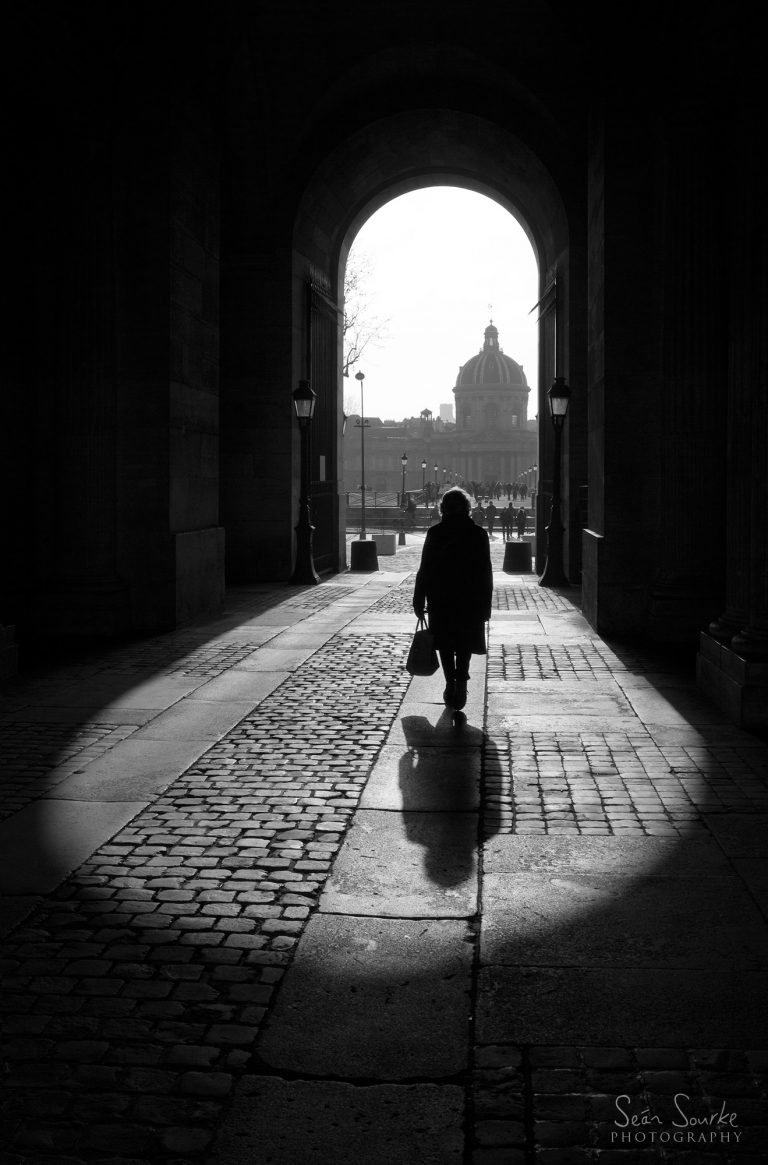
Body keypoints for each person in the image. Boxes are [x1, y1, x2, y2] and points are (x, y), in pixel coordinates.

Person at [412, 486, 493, 712]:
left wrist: (419, 599)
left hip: (441, 597)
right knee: (465, 642)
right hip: (470, 598)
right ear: (468, 508)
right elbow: (486, 572)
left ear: (443, 508)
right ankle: (462, 680)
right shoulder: (478, 534)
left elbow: (424, 569)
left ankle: (450, 683)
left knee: (445, 644)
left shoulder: (436, 533)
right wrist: (485, 605)